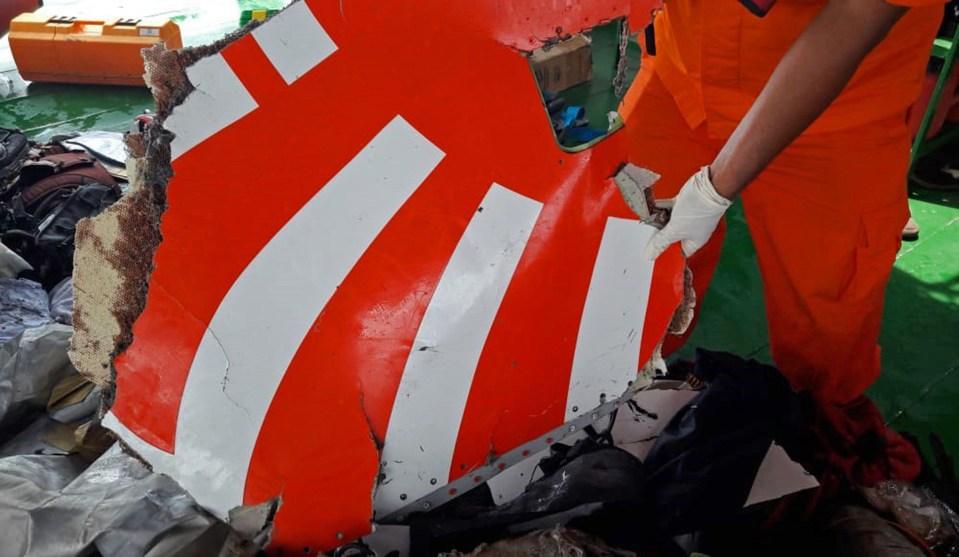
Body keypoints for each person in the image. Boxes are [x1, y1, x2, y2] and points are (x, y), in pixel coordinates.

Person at [622, 0, 945, 404]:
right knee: (627, 271)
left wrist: (713, 189)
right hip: (681, 74)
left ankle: (822, 422)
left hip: (838, 109)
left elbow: (859, 15)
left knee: (826, 316)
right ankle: (617, 402)